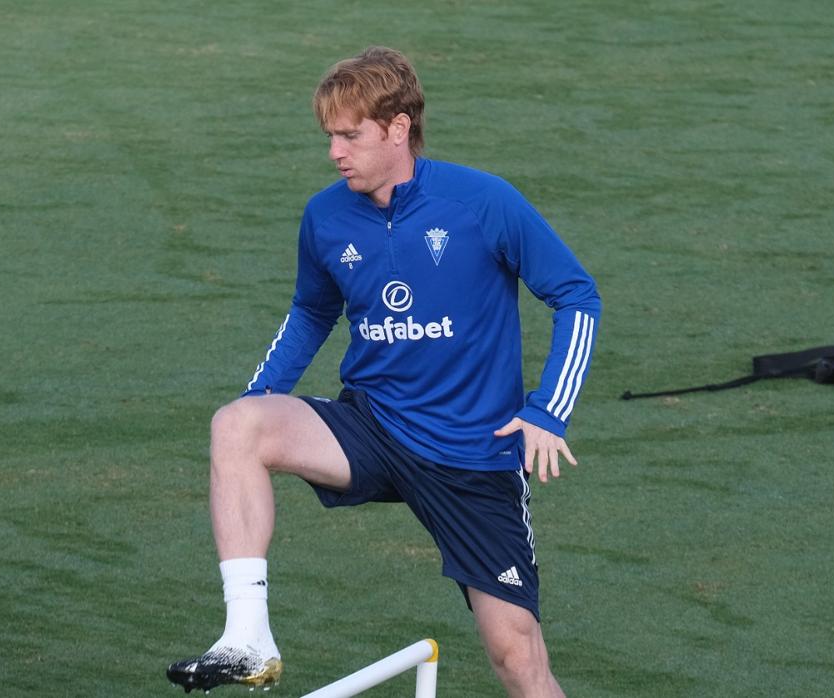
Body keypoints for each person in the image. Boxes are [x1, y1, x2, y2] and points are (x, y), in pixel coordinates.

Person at [166, 46, 600, 697]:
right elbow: (311, 312)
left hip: (471, 455)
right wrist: (262, 397)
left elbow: (575, 296)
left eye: (349, 135)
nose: (335, 152)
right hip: (372, 426)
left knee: (516, 657)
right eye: (329, 137)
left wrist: (546, 410)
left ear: (397, 128)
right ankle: (247, 639)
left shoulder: (482, 202)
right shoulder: (326, 215)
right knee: (237, 426)